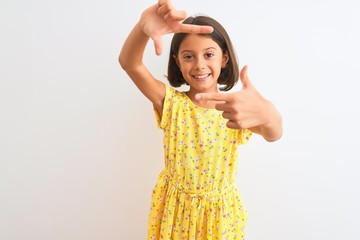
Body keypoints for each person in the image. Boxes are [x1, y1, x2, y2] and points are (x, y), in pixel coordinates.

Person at [119, 0, 282, 239]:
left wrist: (270, 114)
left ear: (224, 59)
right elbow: (129, 63)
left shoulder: (234, 107)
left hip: (220, 217)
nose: (199, 65)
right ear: (177, 61)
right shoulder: (171, 103)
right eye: (188, 57)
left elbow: (273, 133)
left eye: (208, 55)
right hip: (175, 213)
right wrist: (142, 27)